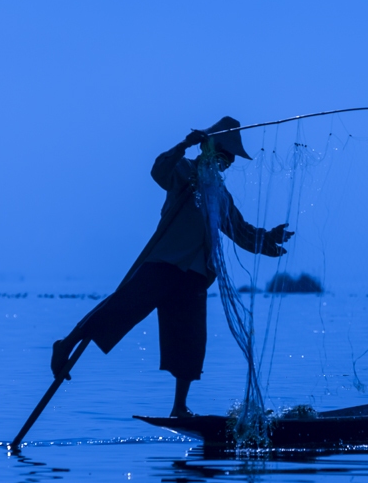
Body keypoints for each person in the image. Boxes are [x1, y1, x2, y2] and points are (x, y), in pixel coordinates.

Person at [50, 117, 292, 417]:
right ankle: (66, 344)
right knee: (120, 308)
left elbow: (241, 232)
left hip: (195, 274)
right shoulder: (184, 172)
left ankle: (179, 406)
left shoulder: (220, 194)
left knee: (190, 339)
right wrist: (184, 145)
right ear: (208, 150)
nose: (226, 163)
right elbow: (159, 170)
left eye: (229, 159)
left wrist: (269, 239)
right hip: (164, 262)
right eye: (223, 155)